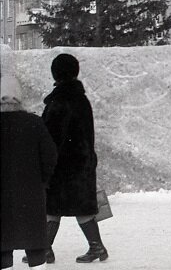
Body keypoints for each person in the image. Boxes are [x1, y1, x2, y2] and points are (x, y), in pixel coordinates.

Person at [41, 53, 107, 263]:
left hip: (63, 166)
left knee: (53, 207)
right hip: (82, 162)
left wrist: (44, 161)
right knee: (80, 207)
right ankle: (96, 248)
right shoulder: (81, 98)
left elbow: (51, 136)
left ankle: (46, 249)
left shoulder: (60, 101)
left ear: (56, 73)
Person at [1, 75, 58, 269]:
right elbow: (50, 155)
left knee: (2, 246)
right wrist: (42, 180)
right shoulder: (33, 123)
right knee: (34, 244)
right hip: (31, 193)